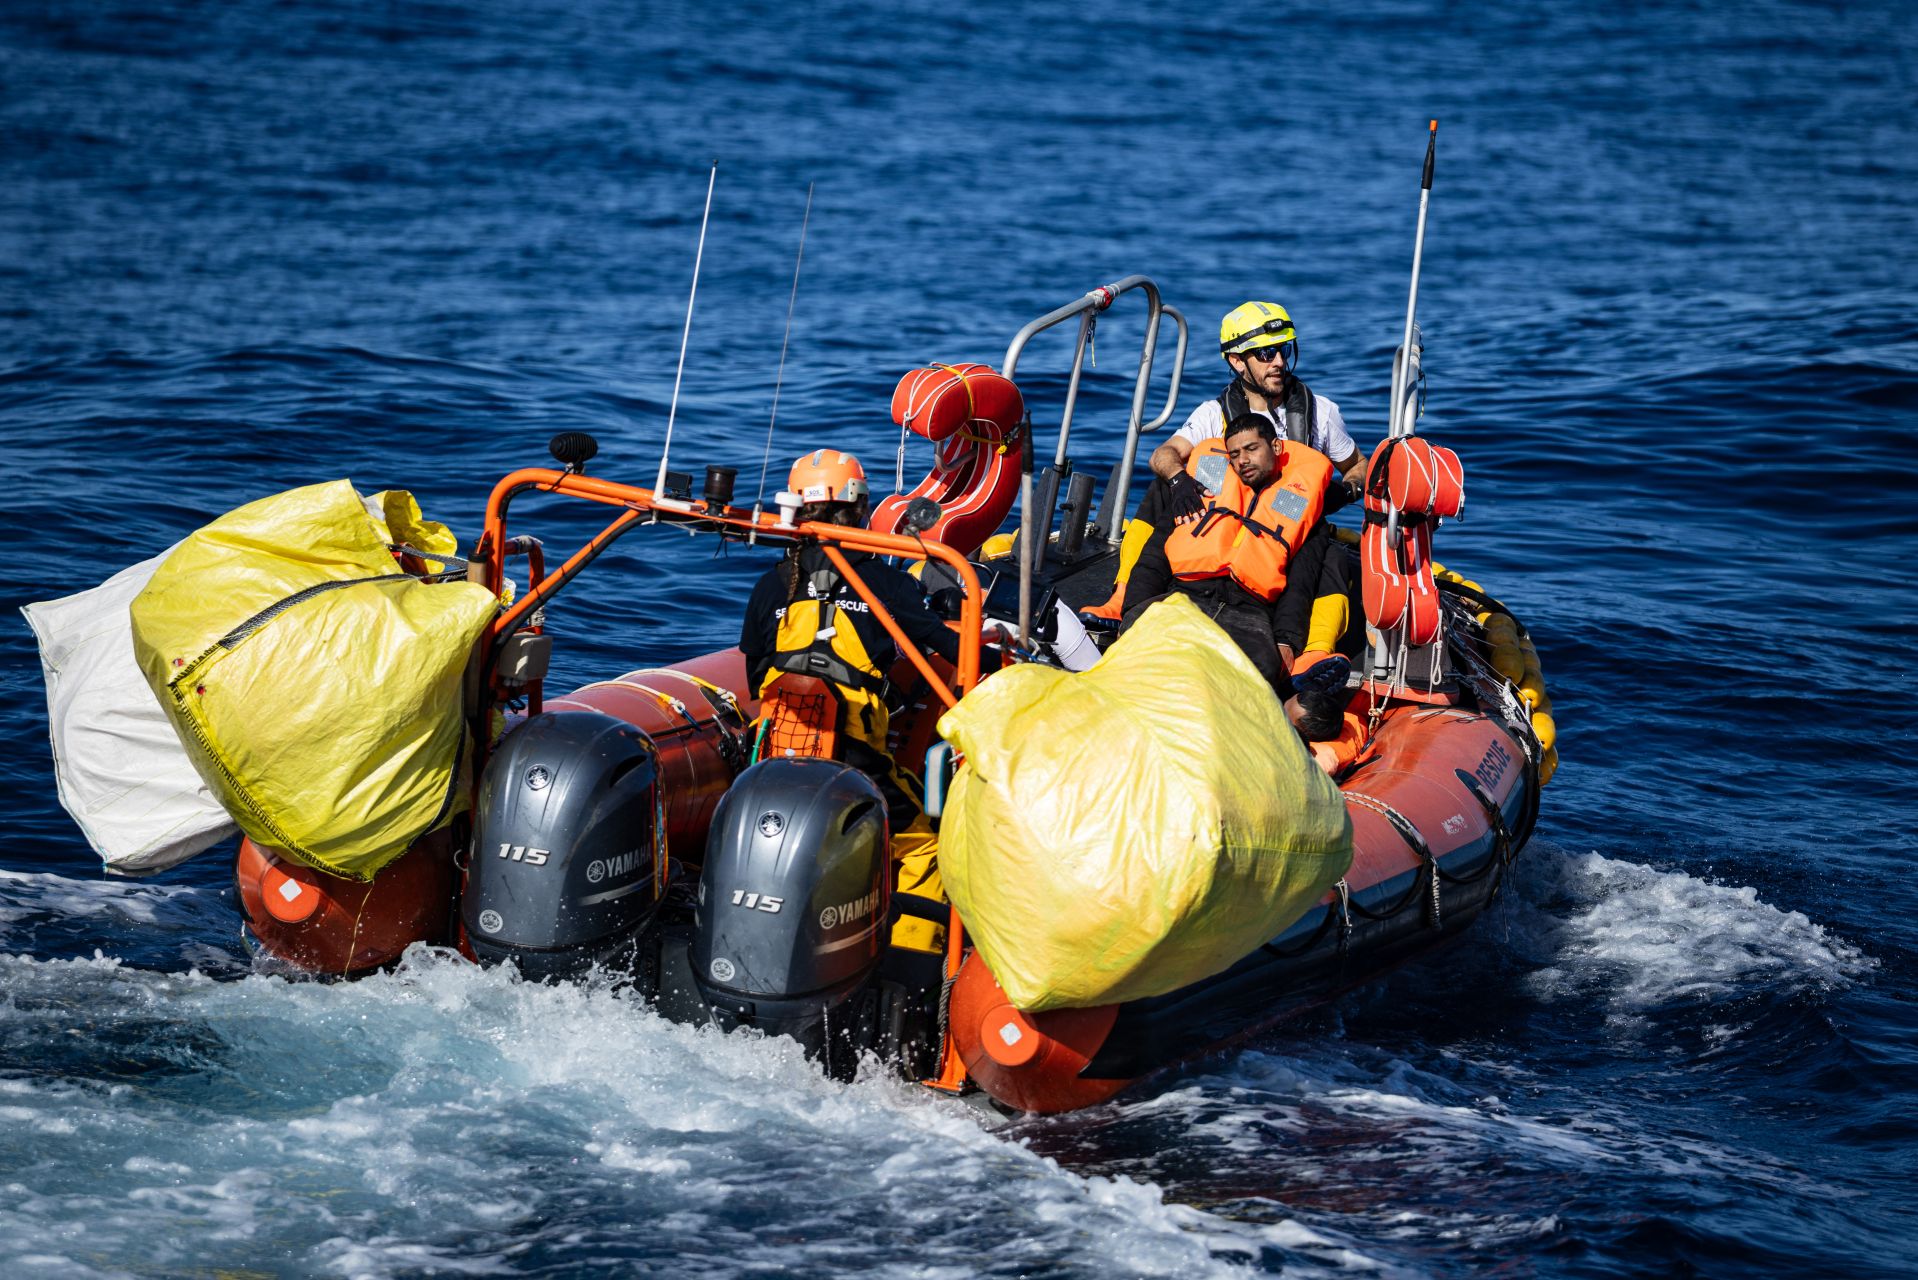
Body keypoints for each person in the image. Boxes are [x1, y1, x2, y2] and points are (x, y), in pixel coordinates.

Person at [739, 448, 960, 951]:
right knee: (927, 842)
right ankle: (909, 961)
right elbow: (950, 647)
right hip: (854, 761)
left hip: (772, 755)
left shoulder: (771, 585)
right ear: (860, 508)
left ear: (795, 509)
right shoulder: (888, 584)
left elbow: (755, 677)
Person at [1122, 414, 1356, 737]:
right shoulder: (1199, 488)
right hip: (1183, 599)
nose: (1242, 460)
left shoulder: (1304, 511)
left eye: (1251, 449)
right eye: (1234, 454)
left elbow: (1300, 585)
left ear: (1276, 447)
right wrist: (1134, 609)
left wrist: (1286, 641)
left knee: (1255, 685)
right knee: (1144, 661)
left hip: (1250, 617)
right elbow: (1156, 553)